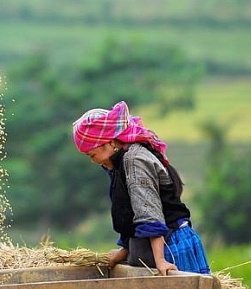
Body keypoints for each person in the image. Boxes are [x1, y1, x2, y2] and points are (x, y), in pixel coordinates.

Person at [72, 101, 210, 276]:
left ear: (110, 142)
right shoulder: (119, 164)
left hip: (169, 247)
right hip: (149, 249)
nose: (94, 161)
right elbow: (128, 212)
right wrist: (125, 250)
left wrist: (161, 260)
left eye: (93, 155)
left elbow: (148, 211)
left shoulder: (135, 160)